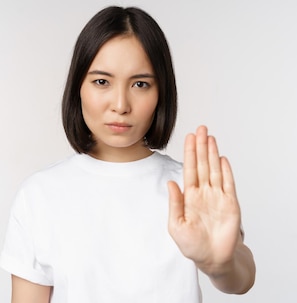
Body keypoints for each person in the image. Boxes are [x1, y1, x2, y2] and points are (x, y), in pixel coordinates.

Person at [0, 6, 256, 302]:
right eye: (101, 81)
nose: (120, 104)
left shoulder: (190, 190)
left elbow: (241, 279)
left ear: (161, 93)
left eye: (140, 84)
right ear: (77, 88)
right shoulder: (40, 195)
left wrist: (219, 264)